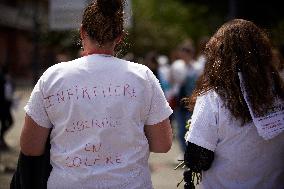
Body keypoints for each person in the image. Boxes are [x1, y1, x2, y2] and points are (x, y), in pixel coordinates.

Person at [12, 0, 173, 188]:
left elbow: (30, 147)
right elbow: (162, 144)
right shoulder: (142, 77)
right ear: (120, 36)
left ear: (82, 31)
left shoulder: (53, 77)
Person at [183, 19, 284, 188]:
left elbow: (198, 160)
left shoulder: (214, 98)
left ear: (218, 54)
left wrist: (191, 133)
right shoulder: (278, 92)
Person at [0, 65, 14, 150]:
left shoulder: (8, 80)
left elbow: (9, 93)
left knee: (8, 122)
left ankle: (1, 138)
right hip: (2, 106)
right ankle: (1, 139)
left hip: (6, 106)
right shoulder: (2, 79)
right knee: (7, 122)